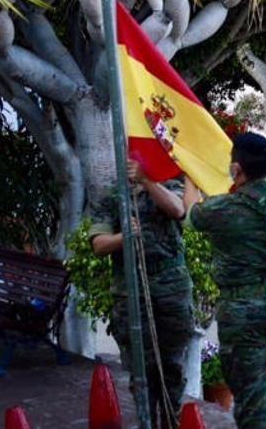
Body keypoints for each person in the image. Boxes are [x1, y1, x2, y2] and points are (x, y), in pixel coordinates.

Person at [184, 133, 266, 428]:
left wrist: (188, 170)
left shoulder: (223, 209)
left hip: (243, 310)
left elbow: (190, 214)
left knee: (253, 400)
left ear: (236, 169)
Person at [89, 160, 193, 427]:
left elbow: (179, 209)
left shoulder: (167, 184)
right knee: (140, 371)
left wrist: (148, 181)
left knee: (172, 367)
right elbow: (98, 245)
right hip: (130, 292)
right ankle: (146, 421)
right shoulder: (112, 197)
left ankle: (172, 422)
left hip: (171, 290)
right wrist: (122, 238)